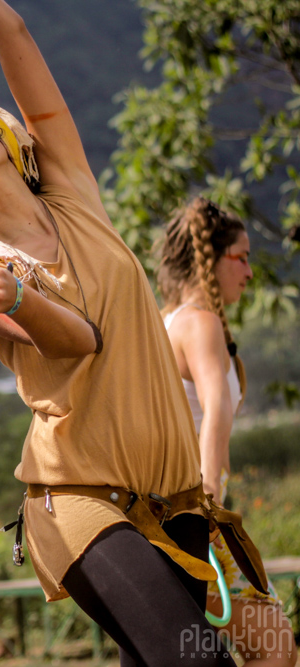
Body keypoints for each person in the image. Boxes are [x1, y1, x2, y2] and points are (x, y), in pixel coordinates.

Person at [0, 1, 266, 665]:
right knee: (200, 661)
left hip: (178, 505)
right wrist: (18, 297)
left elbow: (9, 31)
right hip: (79, 503)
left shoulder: (72, 185)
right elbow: (77, 341)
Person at [159, 197, 295, 666]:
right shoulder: (200, 324)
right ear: (208, 259)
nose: (250, 272)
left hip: (172, 509)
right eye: (242, 257)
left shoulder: (167, 323)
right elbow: (215, 406)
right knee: (275, 648)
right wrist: (208, 496)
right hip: (197, 508)